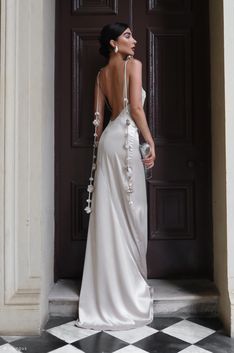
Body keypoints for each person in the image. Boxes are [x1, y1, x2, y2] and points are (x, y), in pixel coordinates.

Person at [75, 22, 156, 331]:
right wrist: (150, 141)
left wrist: (97, 158)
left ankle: (107, 291)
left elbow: (97, 125)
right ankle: (131, 288)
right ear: (113, 43)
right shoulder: (131, 65)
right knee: (132, 213)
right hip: (126, 140)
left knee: (109, 213)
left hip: (109, 139)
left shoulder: (99, 76)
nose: (133, 41)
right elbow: (135, 108)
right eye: (127, 36)